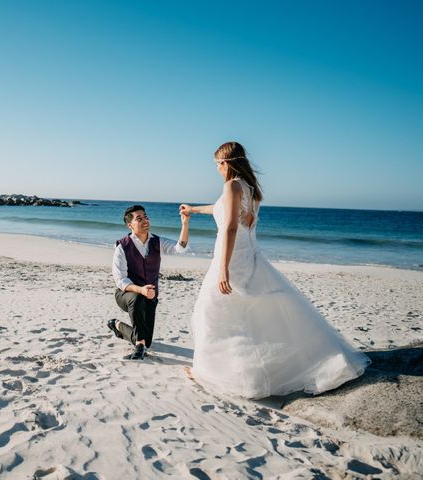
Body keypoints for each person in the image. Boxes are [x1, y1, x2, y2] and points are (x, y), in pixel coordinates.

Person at [180, 141, 370, 399]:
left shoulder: (232, 185)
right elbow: (220, 209)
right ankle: (226, 369)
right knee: (248, 312)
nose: (217, 169)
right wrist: (192, 210)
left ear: (228, 164)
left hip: (233, 257)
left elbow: (230, 227)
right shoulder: (250, 189)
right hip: (249, 255)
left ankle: (208, 372)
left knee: (212, 312)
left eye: (218, 164)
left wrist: (223, 268)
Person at [109, 205, 190, 360]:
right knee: (137, 299)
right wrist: (140, 289)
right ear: (130, 225)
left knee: (148, 342)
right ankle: (139, 346)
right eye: (139, 218)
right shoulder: (122, 247)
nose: (145, 220)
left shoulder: (157, 241)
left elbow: (181, 247)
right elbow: (120, 280)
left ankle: (117, 325)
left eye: (145, 216)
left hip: (150, 297)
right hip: (126, 294)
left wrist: (185, 223)